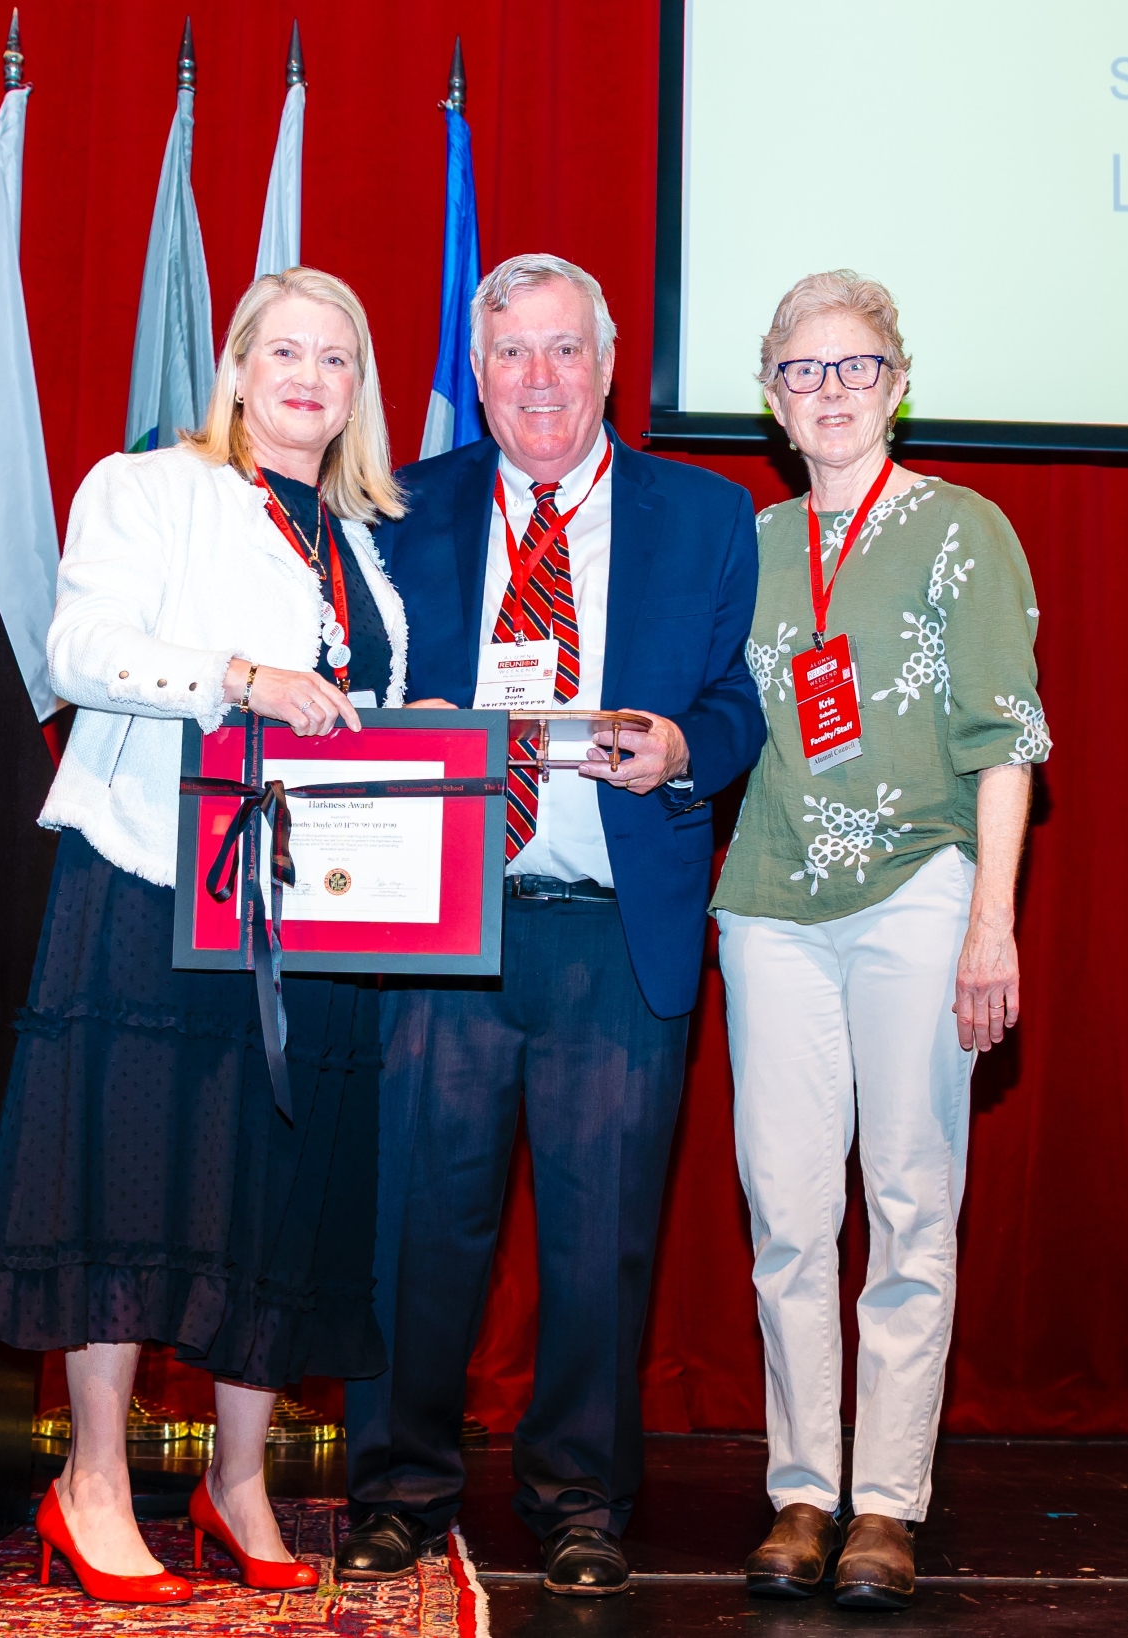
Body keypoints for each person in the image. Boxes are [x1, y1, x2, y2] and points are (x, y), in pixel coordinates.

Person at [0, 268, 418, 1604]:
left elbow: (358, 705)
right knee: (126, 1187)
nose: (310, 377)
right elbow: (78, 649)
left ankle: (239, 1483)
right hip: (153, 884)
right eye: (286, 351)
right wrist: (236, 679)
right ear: (236, 370)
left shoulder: (363, 537)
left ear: (359, 390)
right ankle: (94, 1486)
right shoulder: (149, 486)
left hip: (316, 904)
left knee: (271, 1194)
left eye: (337, 358)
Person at [337, 253, 765, 1596]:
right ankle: (397, 1488)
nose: (539, 378)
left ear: (610, 365)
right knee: (415, 1229)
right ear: (478, 373)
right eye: (511, 352)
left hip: (613, 925)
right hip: (442, 922)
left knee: (602, 1239)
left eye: (564, 349)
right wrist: (386, 727)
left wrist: (685, 744)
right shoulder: (402, 503)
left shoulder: (707, 515)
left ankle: (582, 1499)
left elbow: (743, 700)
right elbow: (348, 677)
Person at [715, 271, 1048, 1611]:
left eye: (856, 366)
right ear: (773, 399)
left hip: (921, 889)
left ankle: (887, 1503)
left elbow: (1007, 740)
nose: (832, 391)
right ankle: (803, 1489)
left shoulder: (967, 527)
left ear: (899, 384)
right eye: (804, 371)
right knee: (788, 1208)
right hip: (769, 899)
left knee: (912, 1201)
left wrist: (990, 924)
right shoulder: (748, 542)